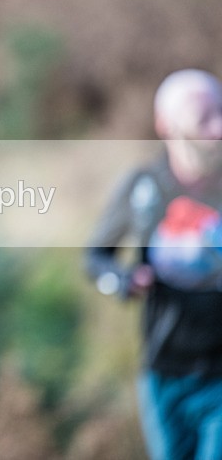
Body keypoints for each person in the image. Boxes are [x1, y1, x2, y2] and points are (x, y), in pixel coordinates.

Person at [86, 69, 222, 460]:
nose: (217, 129)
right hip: (163, 372)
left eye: (220, 113)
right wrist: (125, 280)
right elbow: (96, 257)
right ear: (167, 126)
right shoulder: (143, 187)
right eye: (203, 119)